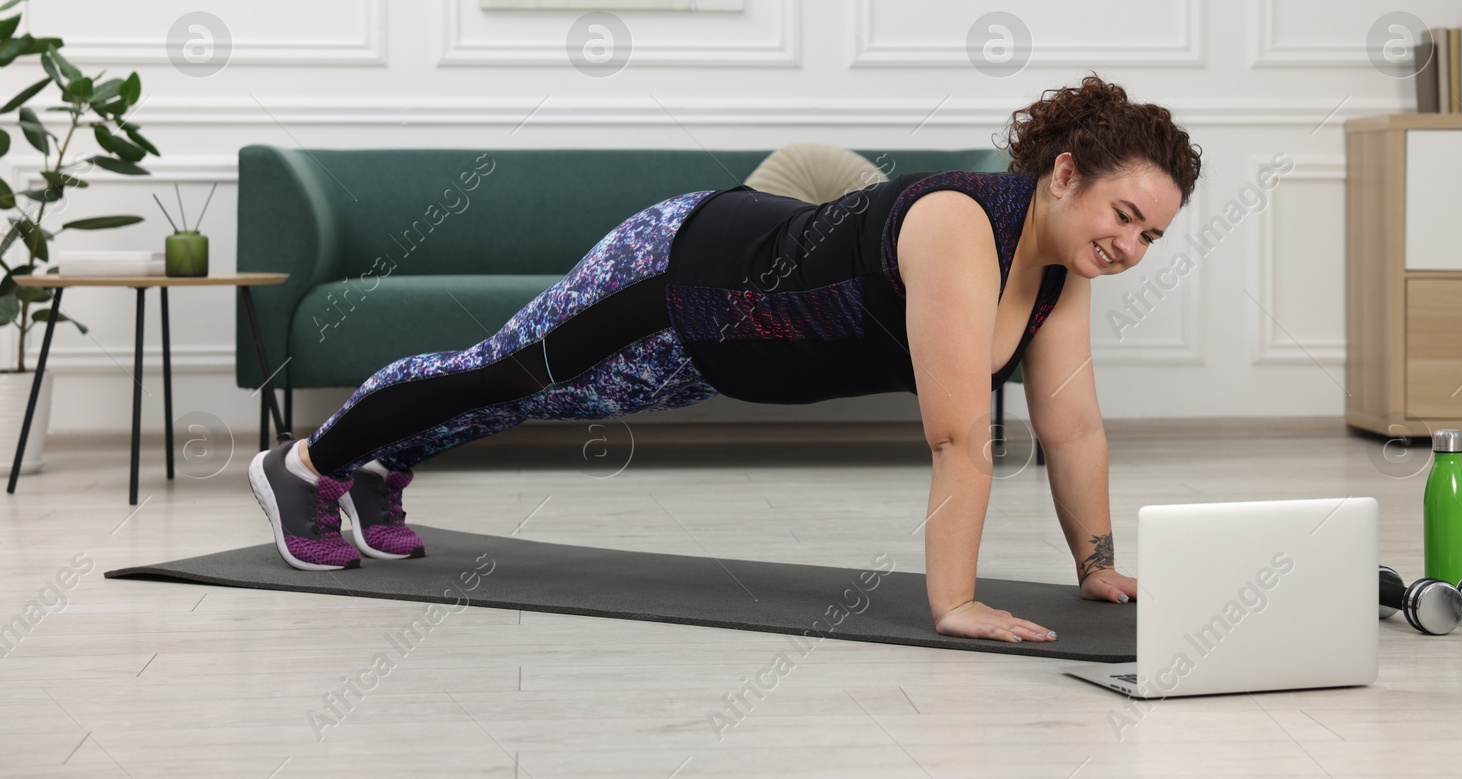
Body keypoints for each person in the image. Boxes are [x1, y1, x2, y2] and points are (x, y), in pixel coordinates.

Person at [248, 72, 1201, 644]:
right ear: (1065, 176)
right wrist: (953, 601)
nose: (1130, 246)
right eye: (1125, 216)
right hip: (679, 276)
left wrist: (1097, 564)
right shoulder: (961, 225)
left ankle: (385, 460)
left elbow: (1071, 425)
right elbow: (958, 436)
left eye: (1152, 236)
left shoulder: (1059, 277)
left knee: (546, 402)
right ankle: (304, 466)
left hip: (720, 354)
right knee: (509, 373)